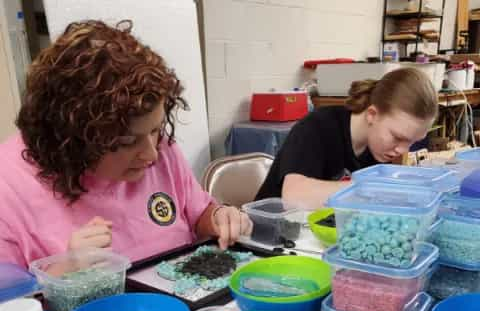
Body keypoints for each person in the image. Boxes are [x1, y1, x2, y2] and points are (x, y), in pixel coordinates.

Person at [0, 20, 252, 268]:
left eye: (155, 130)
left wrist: (219, 217)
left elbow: (198, 213)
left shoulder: (159, 148)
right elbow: (12, 302)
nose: (152, 154)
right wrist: (63, 272)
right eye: (127, 140)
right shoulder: (10, 189)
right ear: (72, 138)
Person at [256, 67, 438, 209]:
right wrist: (374, 189)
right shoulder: (317, 127)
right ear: (372, 114)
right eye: (397, 137)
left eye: (412, 142)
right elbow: (294, 197)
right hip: (270, 238)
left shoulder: (379, 148)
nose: (402, 150)